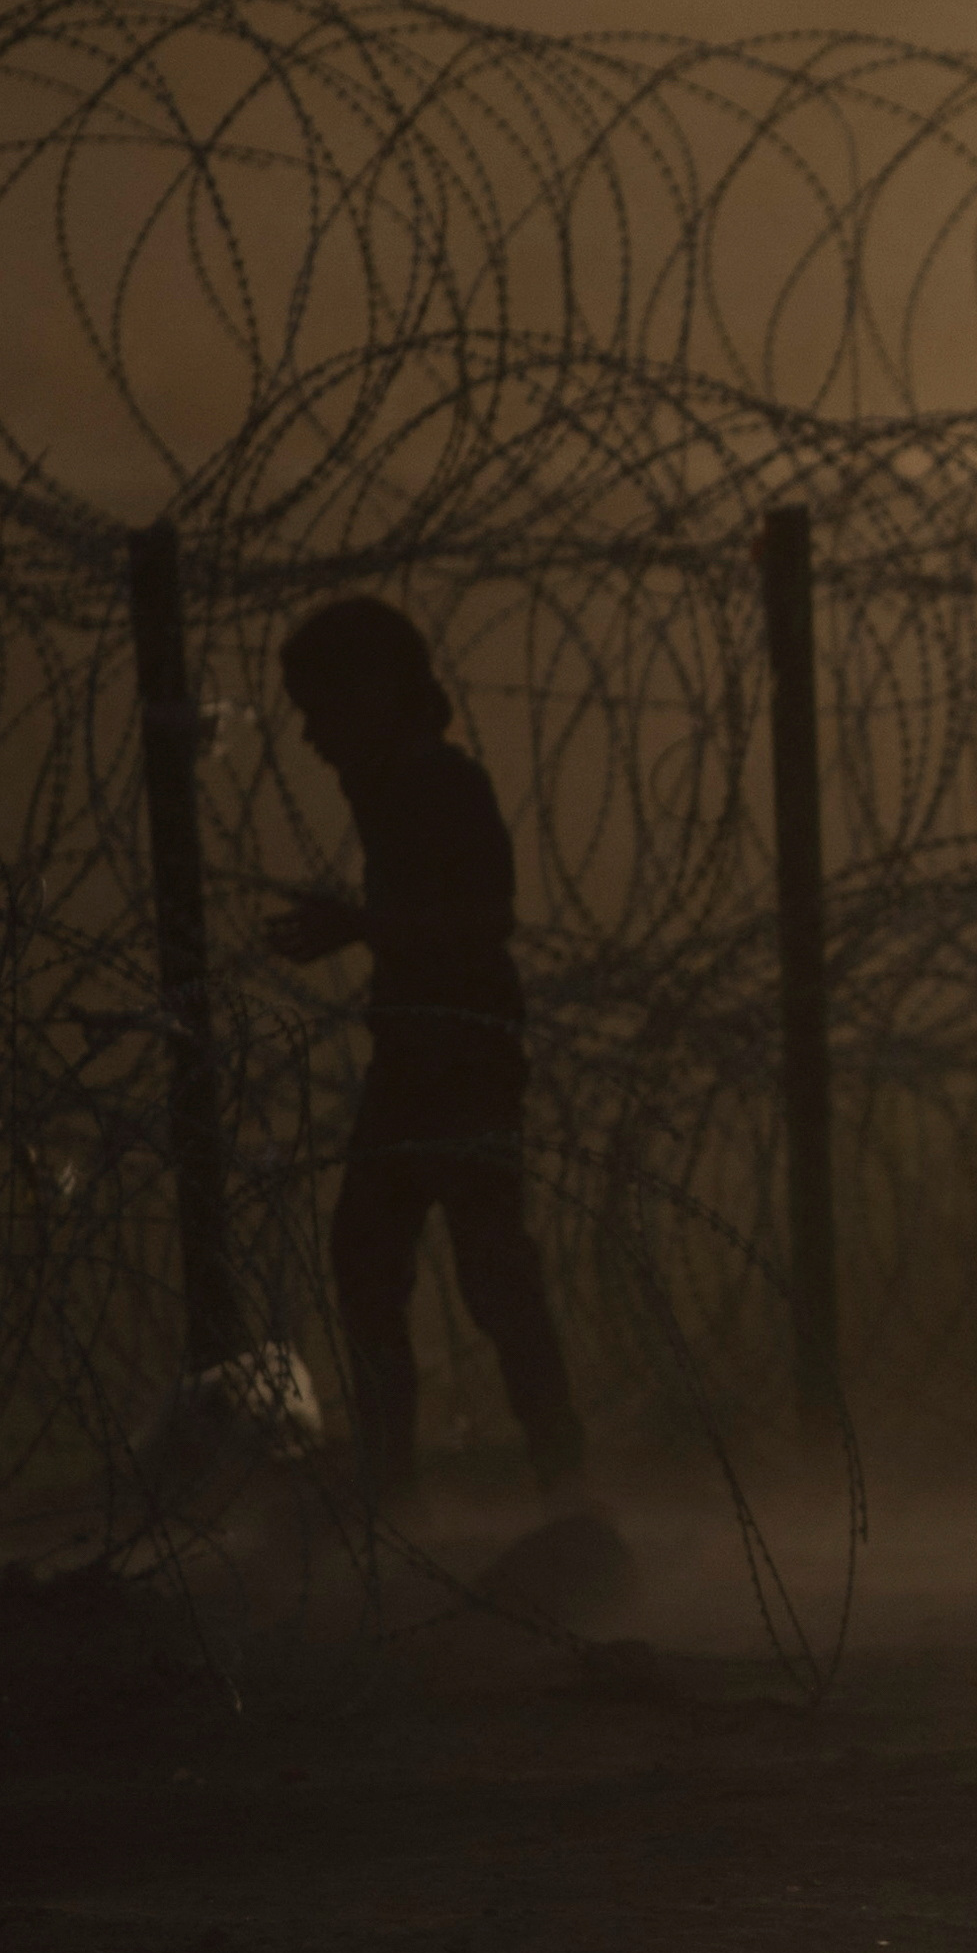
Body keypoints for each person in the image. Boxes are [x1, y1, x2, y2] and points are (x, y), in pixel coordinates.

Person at [266, 597, 589, 1520]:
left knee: (488, 1271)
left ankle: (558, 1472)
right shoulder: (386, 788)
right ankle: (390, 1481)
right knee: (372, 1259)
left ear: (377, 694)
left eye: (320, 706)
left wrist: (363, 926)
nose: (309, 733)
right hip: (414, 1064)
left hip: (464, 1066)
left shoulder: (444, 786)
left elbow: (485, 919)